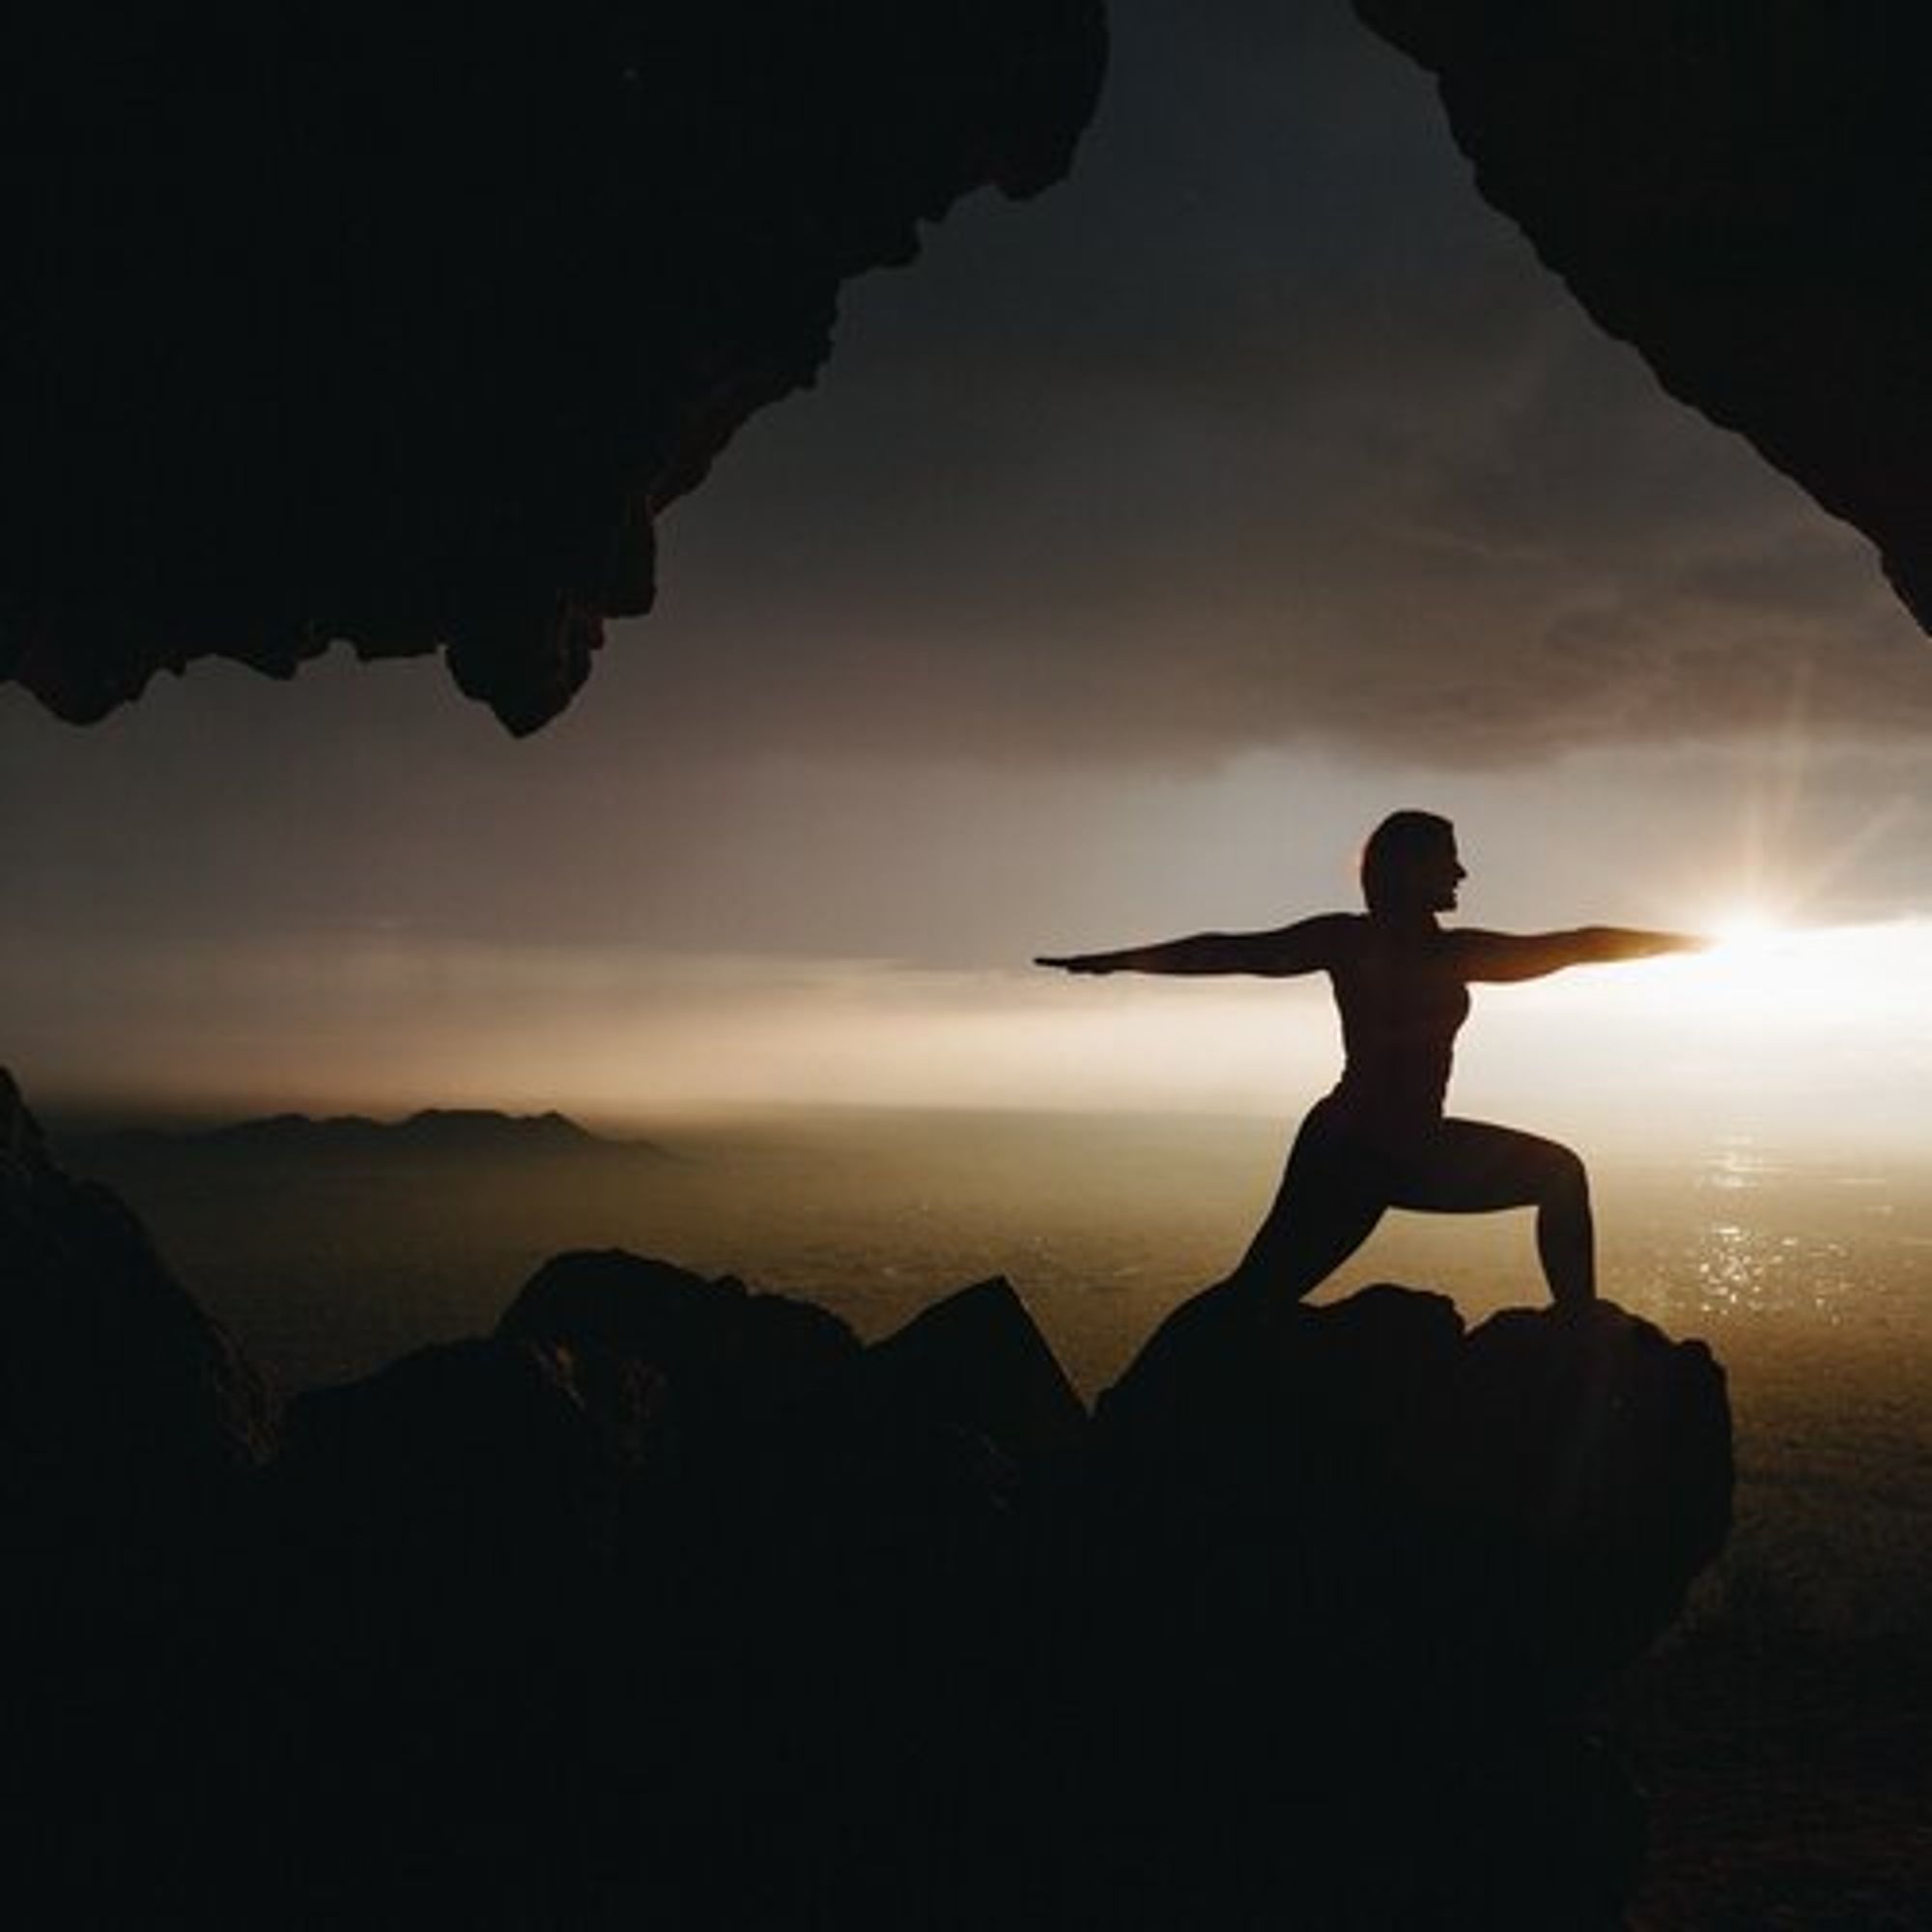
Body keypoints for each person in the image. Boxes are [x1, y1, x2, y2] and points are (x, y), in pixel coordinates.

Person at [1036, 810, 1702, 1308]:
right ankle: (1577, 1330)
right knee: (1260, 1289)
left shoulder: (1409, 947)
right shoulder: (1397, 947)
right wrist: (1116, 962)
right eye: (1449, 858)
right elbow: (1228, 950)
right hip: (1360, 1151)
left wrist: (1687, 941)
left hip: (1379, 1143)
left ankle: (1575, 1328)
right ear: (1410, 869)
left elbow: (1578, 944)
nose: (1462, 872)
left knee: (1261, 1287)